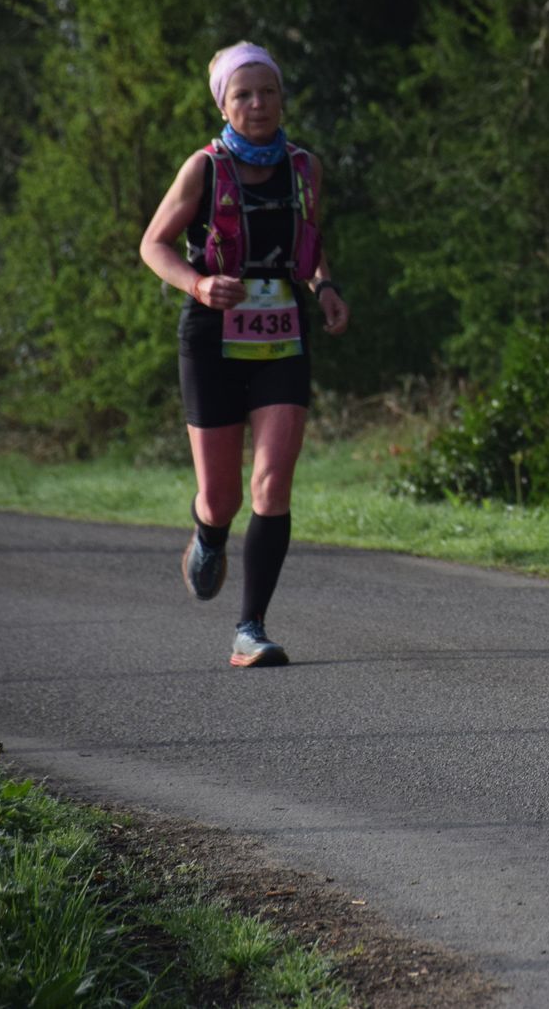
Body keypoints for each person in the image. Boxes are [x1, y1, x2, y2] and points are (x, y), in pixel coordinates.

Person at [139, 41, 350, 668]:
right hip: (212, 338)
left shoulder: (305, 167)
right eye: (244, 95)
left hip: (283, 333)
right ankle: (208, 532)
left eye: (268, 92)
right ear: (224, 105)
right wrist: (199, 284)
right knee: (222, 497)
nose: (258, 104)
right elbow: (154, 244)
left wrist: (326, 287)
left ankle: (250, 629)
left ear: (282, 98)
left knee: (273, 482)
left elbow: (309, 242)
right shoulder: (203, 169)